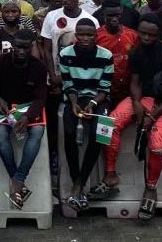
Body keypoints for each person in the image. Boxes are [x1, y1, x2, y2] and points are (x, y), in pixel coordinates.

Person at [93, 14, 162, 220]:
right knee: (107, 125)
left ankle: (151, 188)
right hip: (143, 98)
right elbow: (135, 82)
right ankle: (111, 174)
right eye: (143, 33)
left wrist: (153, 115)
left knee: (157, 146)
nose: (146, 37)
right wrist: (137, 103)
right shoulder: (136, 52)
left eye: (151, 34)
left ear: (158, 33)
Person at [0, 29, 47, 209]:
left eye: (25, 47)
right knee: (0, 134)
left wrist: (28, 117)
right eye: (18, 47)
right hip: (3, 106)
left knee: (37, 132)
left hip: (28, 106)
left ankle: (17, 180)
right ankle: (17, 180)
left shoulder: (39, 67)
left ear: (31, 47)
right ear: (12, 46)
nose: (21, 51)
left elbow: (41, 98)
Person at [60, 18, 114, 213]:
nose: (85, 38)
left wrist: (92, 104)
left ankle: (80, 182)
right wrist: (74, 103)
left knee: (98, 135)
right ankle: (76, 180)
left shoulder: (106, 55)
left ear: (96, 36)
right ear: (76, 36)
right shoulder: (66, 54)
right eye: (81, 34)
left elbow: (105, 88)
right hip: (75, 98)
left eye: (89, 35)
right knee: (69, 133)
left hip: (98, 99)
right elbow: (68, 85)